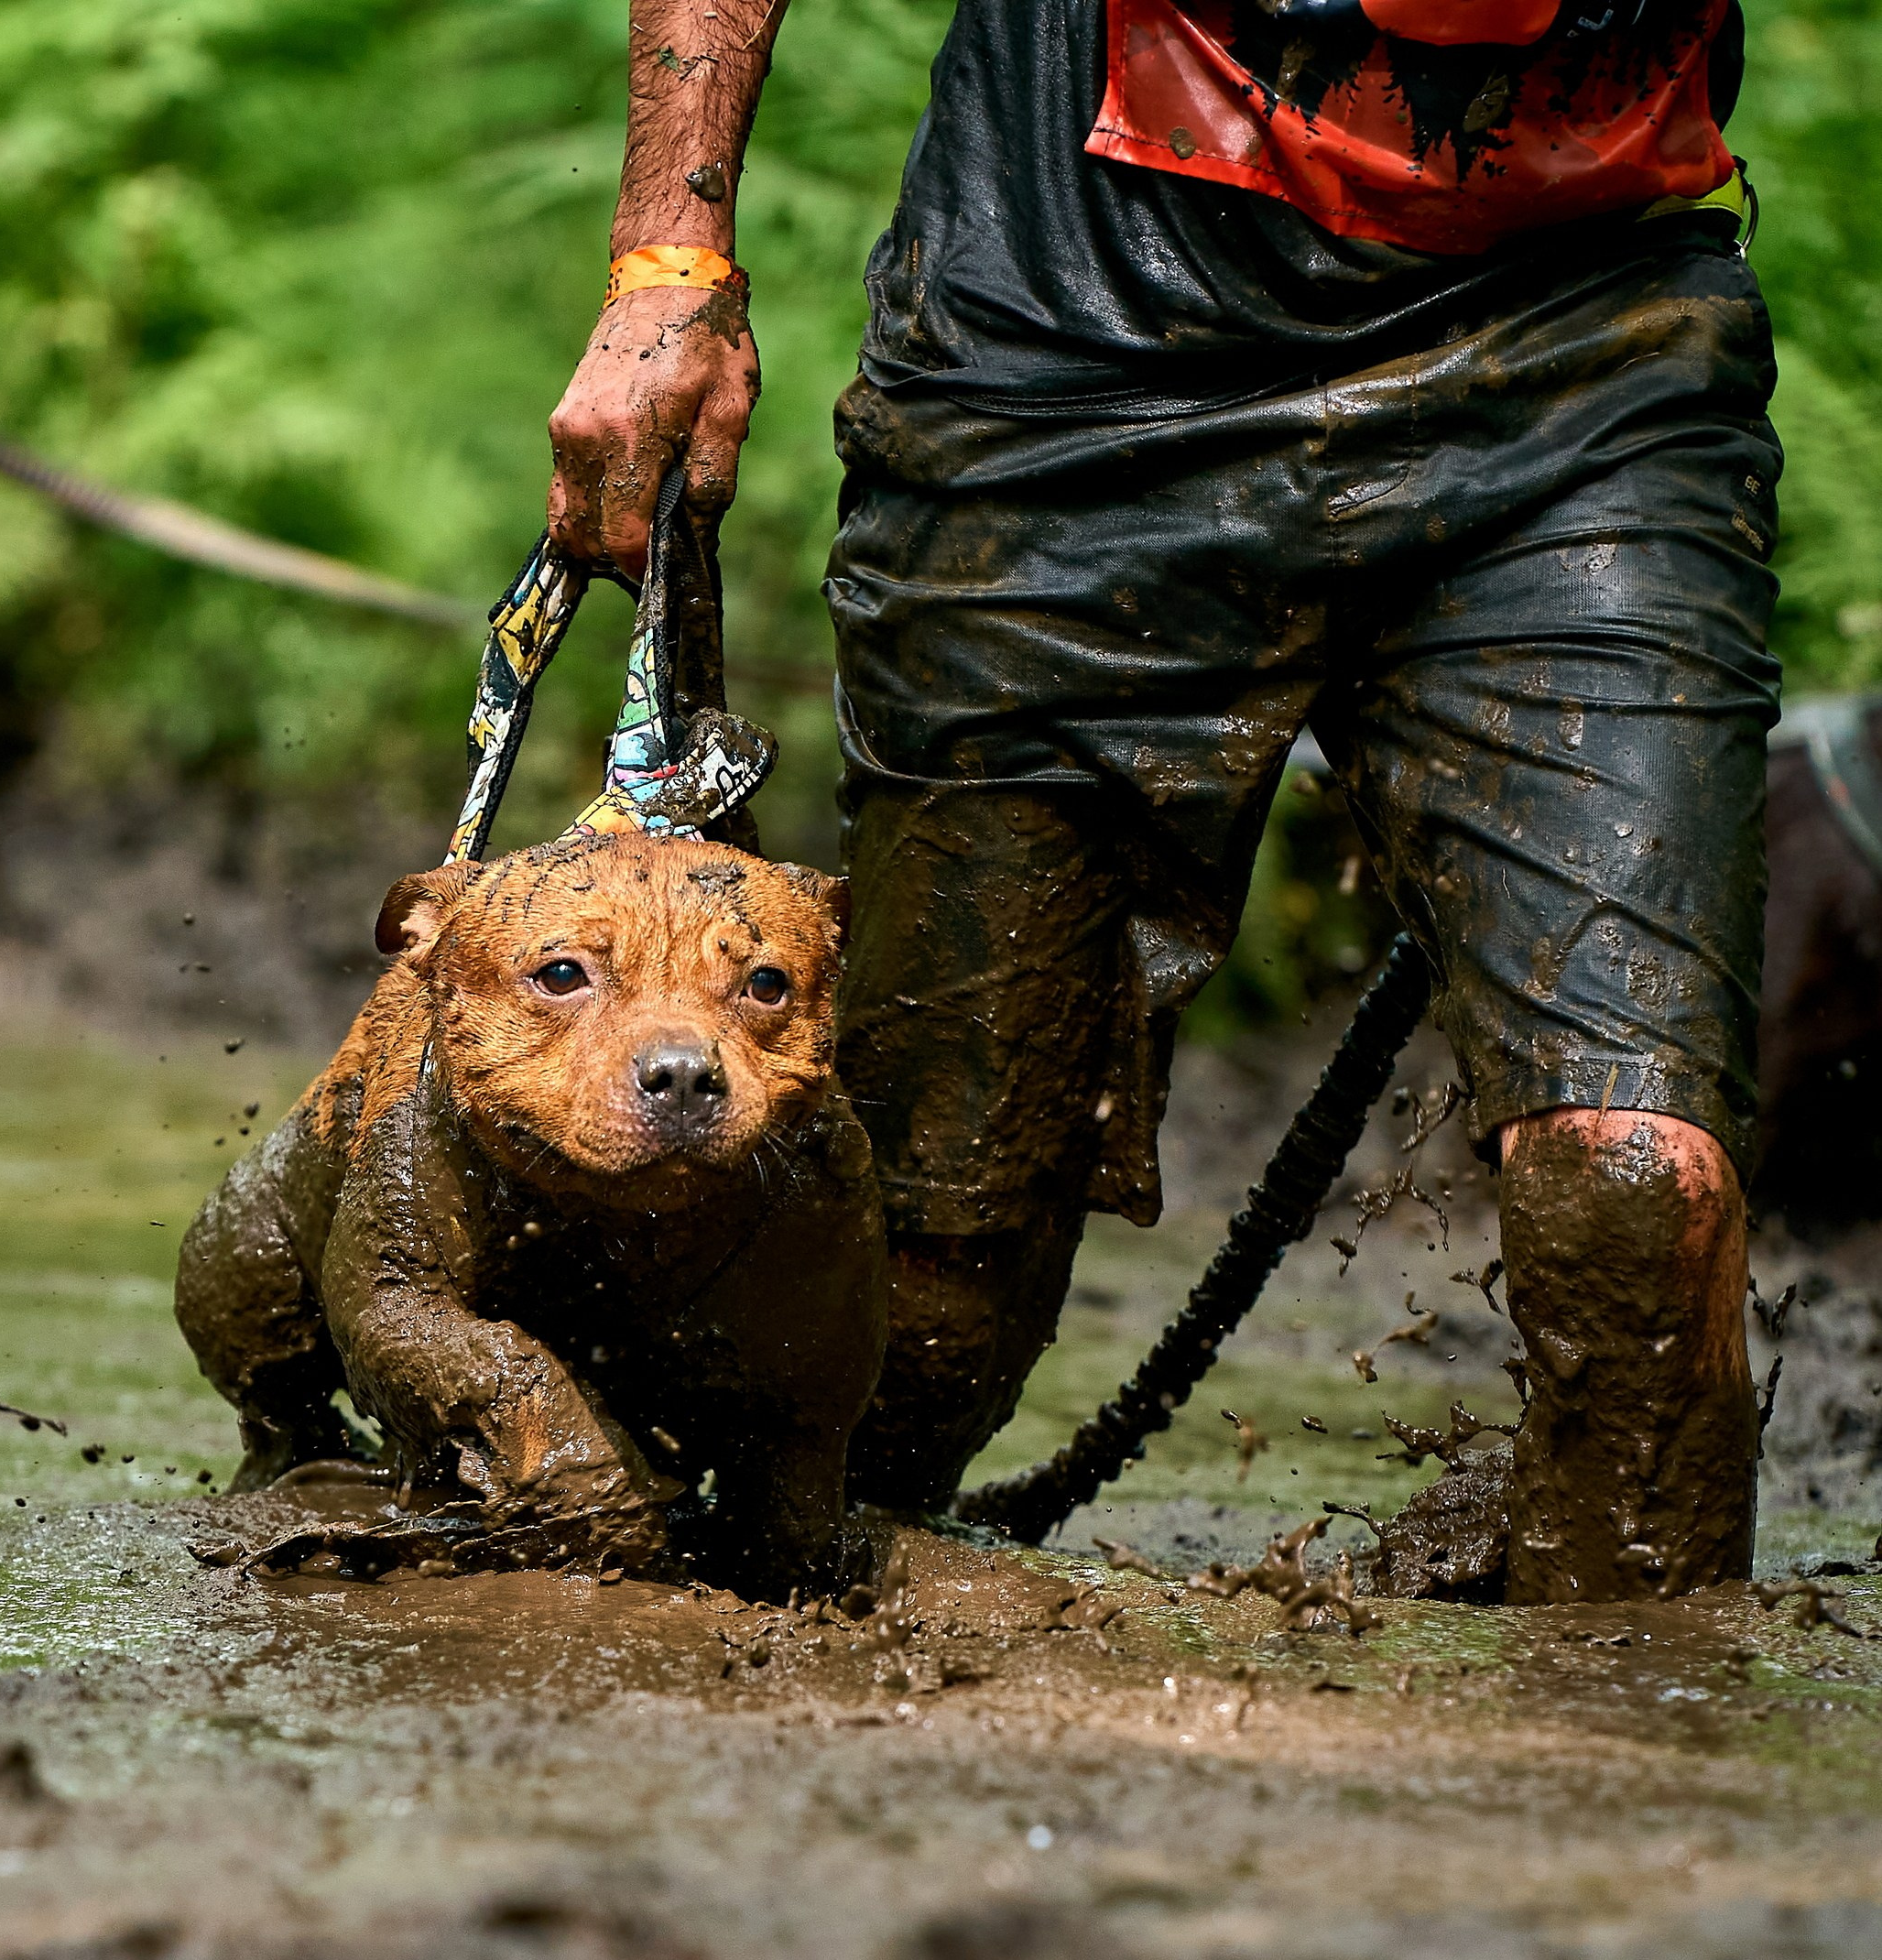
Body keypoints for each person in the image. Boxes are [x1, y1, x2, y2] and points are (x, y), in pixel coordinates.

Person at [546, 0, 1779, 1603]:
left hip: (1586, 367)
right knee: (931, 1284)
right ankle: (632, 1582)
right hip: (1071, 338)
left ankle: (1637, 1728)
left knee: (1639, 1196)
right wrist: (669, 264)